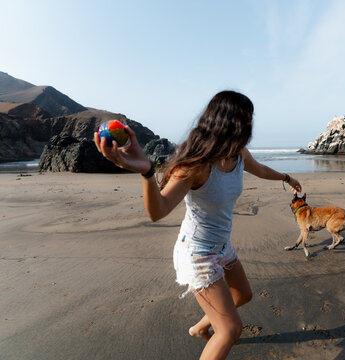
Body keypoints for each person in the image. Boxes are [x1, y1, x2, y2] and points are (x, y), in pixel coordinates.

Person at [94, 90, 302, 360]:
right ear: (235, 122)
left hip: (222, 247)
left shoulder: (237, 153)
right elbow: (159, 211)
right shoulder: (196, 166)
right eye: (248, 118)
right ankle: (215, 332)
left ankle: (199, 329)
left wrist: (286, 177)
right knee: (230, 330)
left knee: (243, 295)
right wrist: (146, 172)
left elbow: (260, 169)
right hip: (197, 253)